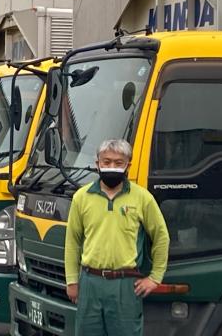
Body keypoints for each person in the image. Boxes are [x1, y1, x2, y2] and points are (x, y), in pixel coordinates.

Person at [64, 139, 170, 336]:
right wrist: (72, 281)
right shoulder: (82, 197)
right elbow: (72, 241)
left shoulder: (142, 197)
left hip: (125, 285)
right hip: (90, 283)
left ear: (128, 165)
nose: (111, 167)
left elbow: (161, 236)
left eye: (118, 163)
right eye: (106, 162)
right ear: (97, 164)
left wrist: (155, 277)